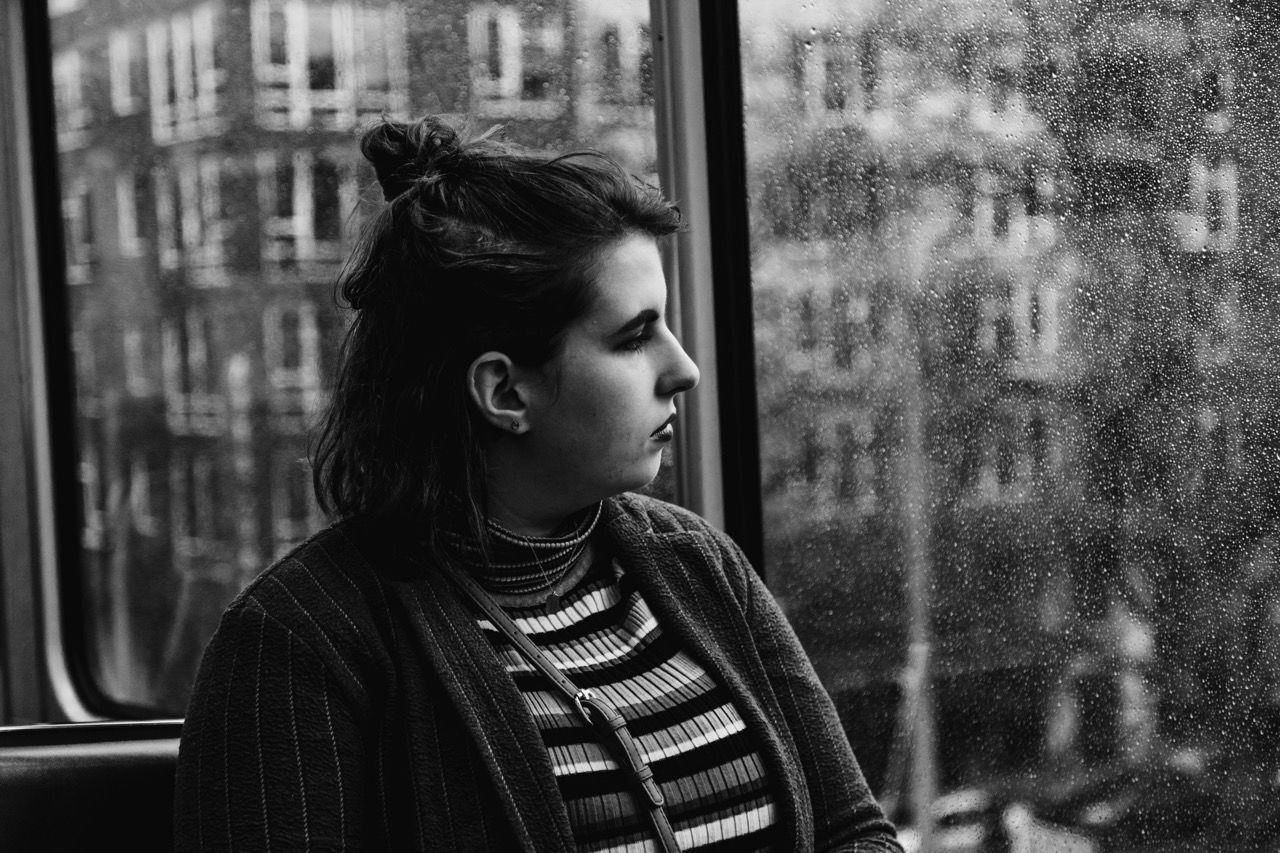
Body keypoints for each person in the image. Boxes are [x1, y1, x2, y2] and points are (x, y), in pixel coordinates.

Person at [174, 114, 902, 852]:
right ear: (504, 392)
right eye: (631, 336)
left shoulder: (697, 563)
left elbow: (851, 829)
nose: (683, 368)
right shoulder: (297, 641)